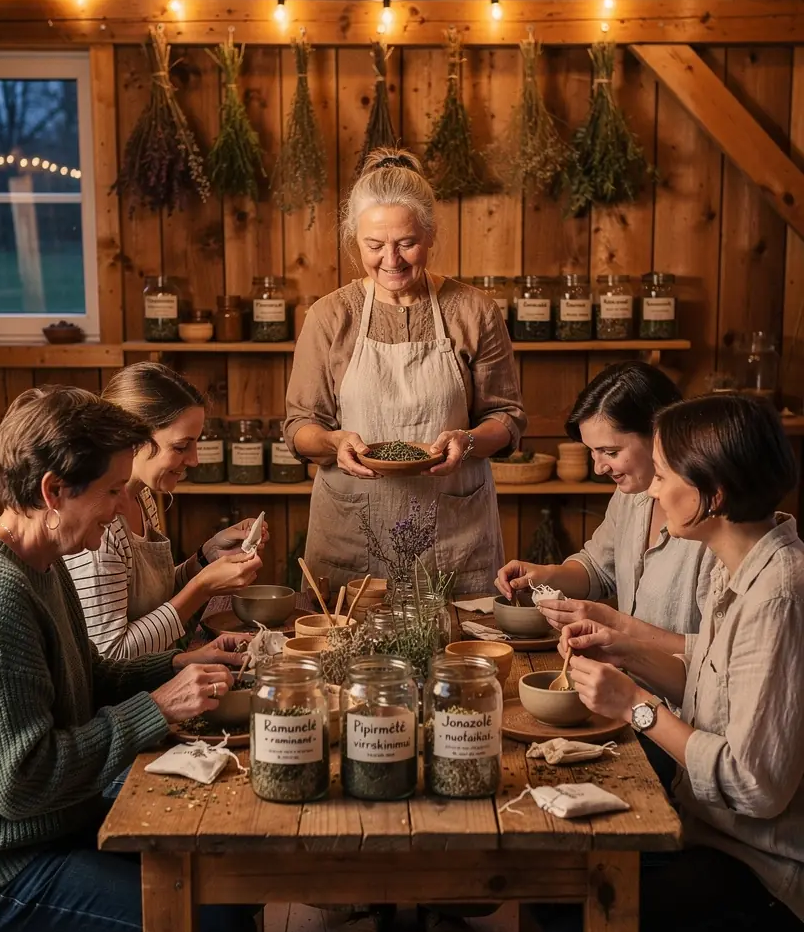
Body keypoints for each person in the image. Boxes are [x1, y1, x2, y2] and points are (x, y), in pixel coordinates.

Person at [0, 386, 259, 932]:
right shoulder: (0, 598)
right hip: (5, 870)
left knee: (226, 881)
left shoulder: (43, 563)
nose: (119, 509)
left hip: (49, 833)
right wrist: (154, 709)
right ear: (53, 489)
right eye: (111, 490)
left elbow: (93, 675)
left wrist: (179, 666)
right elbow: (20, 781)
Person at [537, 394, 804, 932]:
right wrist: (620, 650)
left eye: (663, 475)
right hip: (721, 838)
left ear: (711, 493)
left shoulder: (779, 596)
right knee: (552, 879)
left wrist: (637, 709)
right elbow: (708, 682)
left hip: (776, 879)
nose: (651, 491)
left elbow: (756, 784)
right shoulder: (737, 564)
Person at [285, 146, 526, 593]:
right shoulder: (330, 316)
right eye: (374, 246)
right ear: (355, 240)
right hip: (353, 525)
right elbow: (299, 425)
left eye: (407, 243)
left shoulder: (472, 311)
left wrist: (468, 440)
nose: (391, 260)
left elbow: (507, 418)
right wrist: (332, 442)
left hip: (453, 528)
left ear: (430, 235)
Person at [495, 360, 716, 659]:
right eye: (593, 452)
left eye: (611, 452)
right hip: (628, 682)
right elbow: (599, 568)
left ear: (660, 433)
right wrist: (544, 575)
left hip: (684, 699)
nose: (599, 467)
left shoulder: (714, 522)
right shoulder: (632, 495)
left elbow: (719, 657)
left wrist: (615, 625)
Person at [64, 362, 264, 660]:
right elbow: (111, 658)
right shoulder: (100, 529)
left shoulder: (143, 496)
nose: (194, 460)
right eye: (182, 446)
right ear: (131, 438)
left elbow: (151, 600)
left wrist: (205, 558)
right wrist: (202, 587)